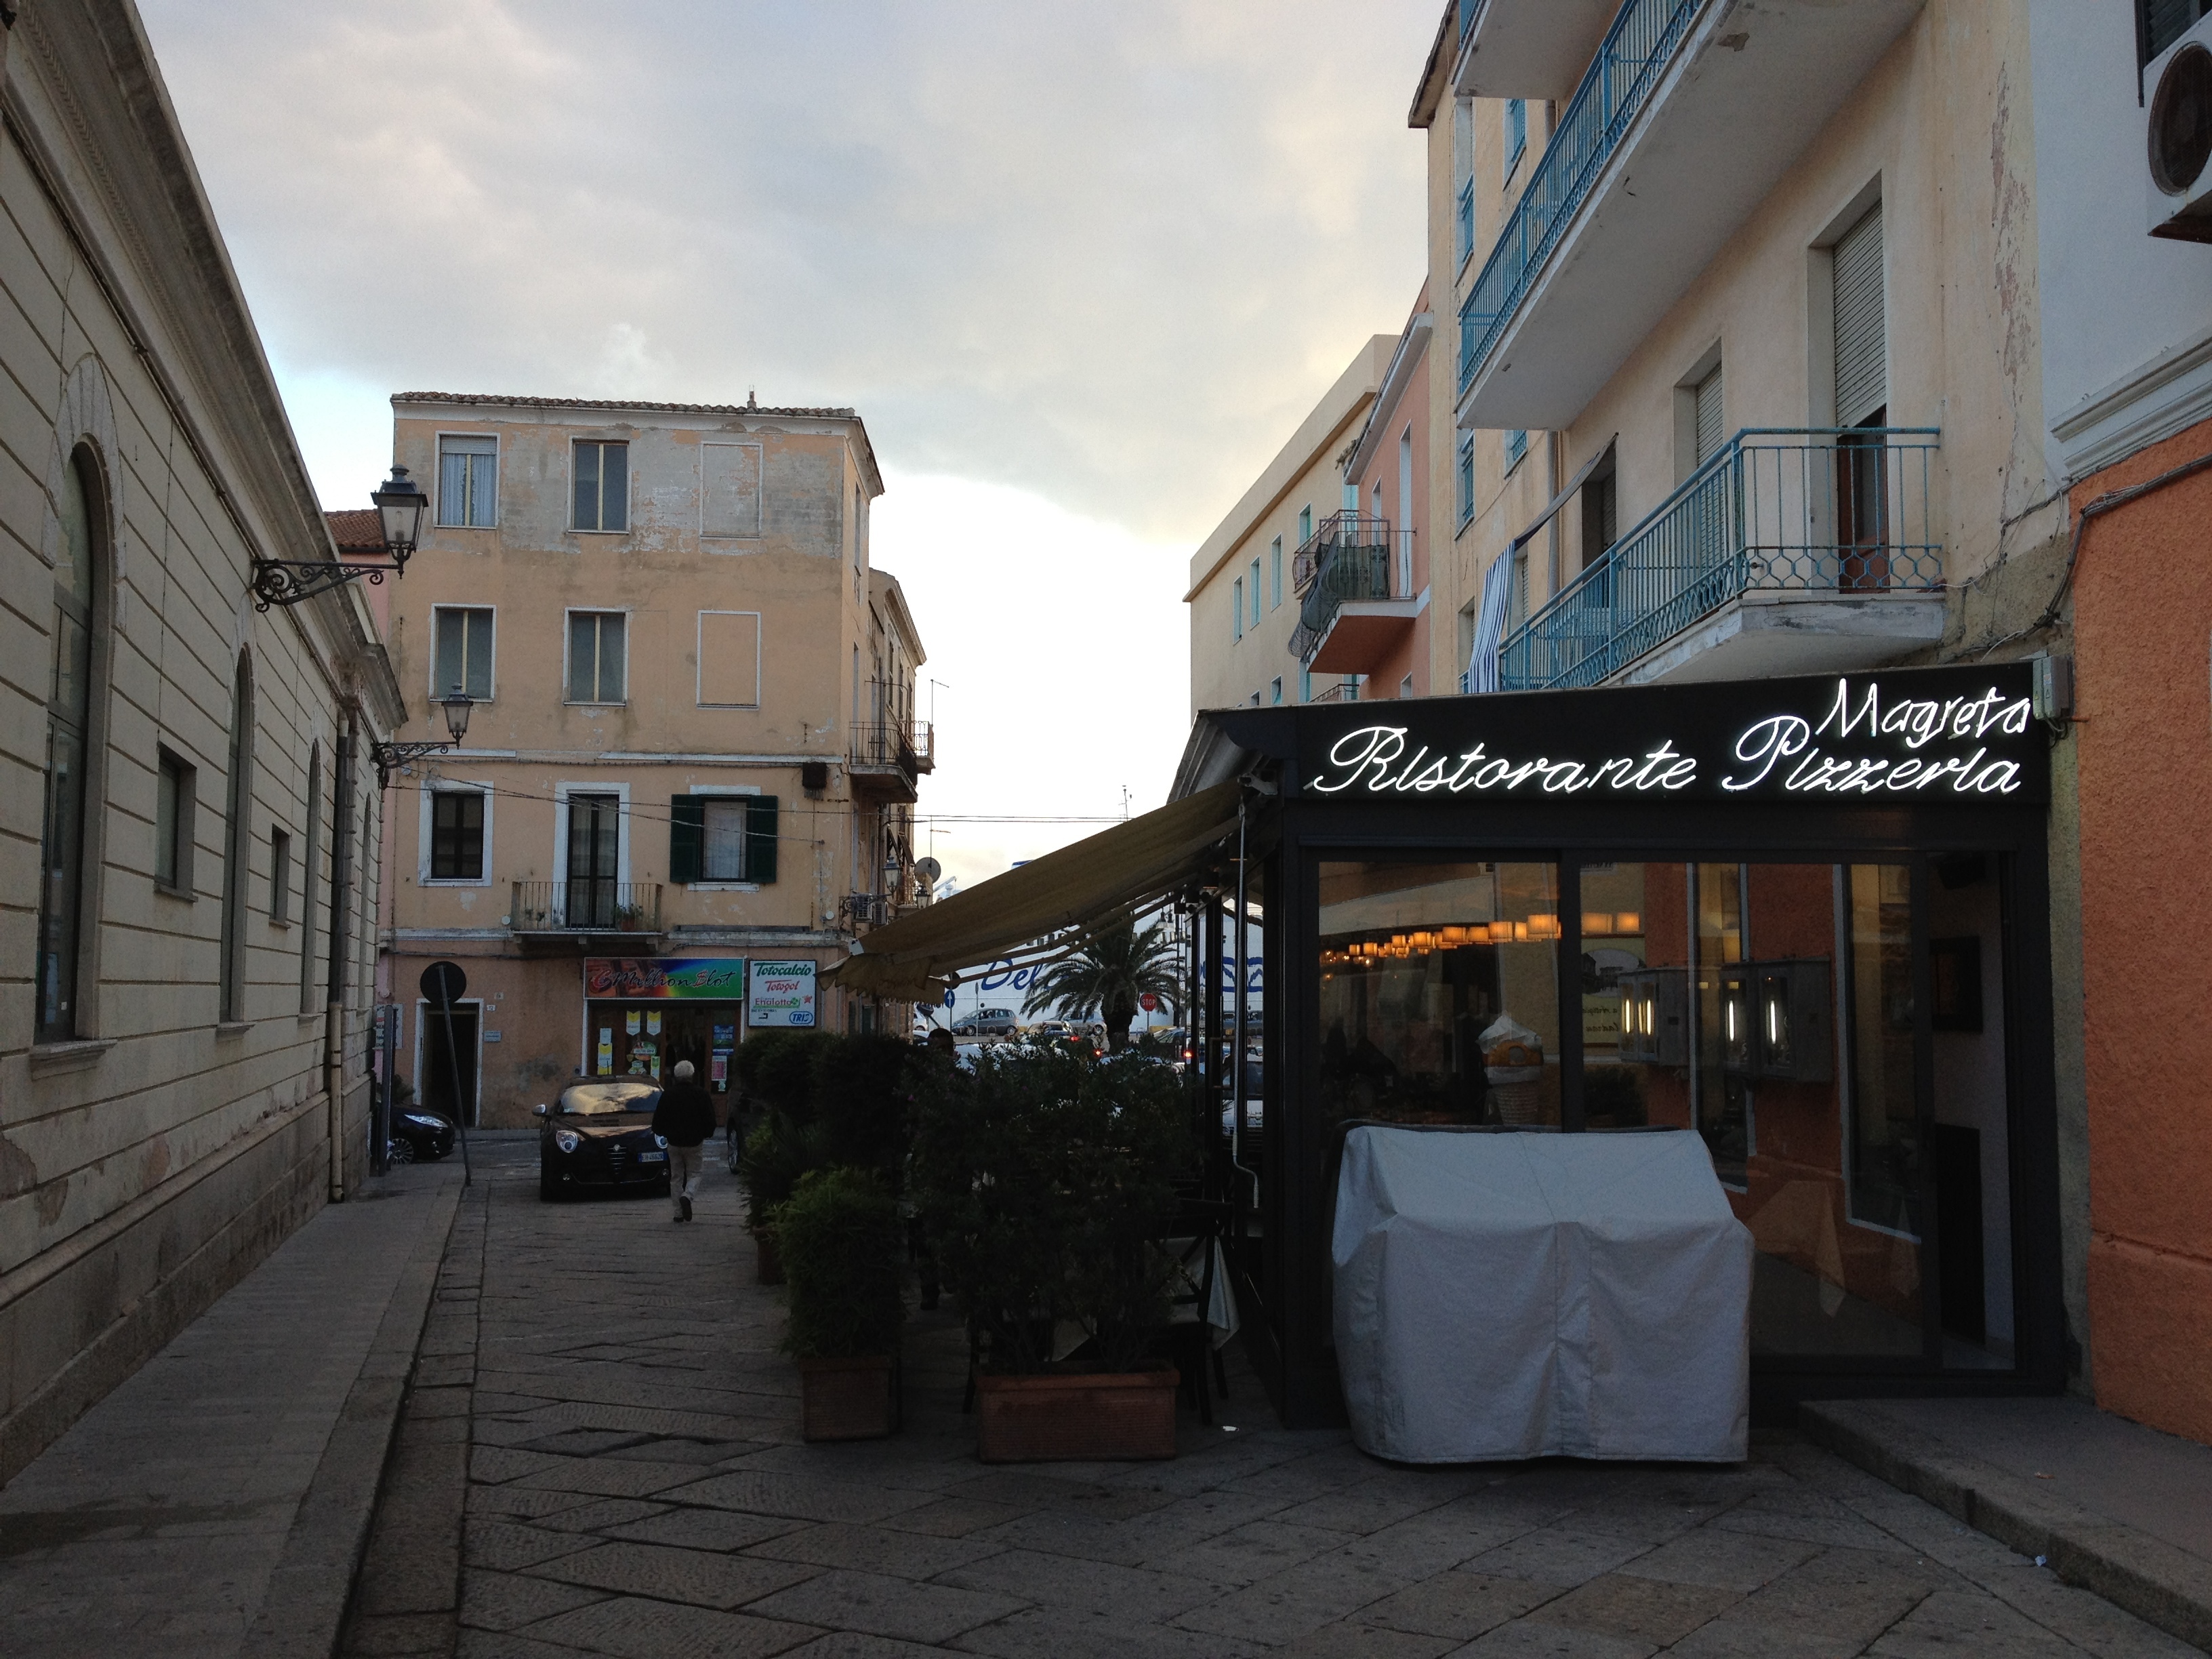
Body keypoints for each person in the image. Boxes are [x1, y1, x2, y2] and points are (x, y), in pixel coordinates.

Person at [651, 1060, 716, 1223]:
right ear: (692, 1075)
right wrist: (706, 1133)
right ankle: (688, 1195)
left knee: (676, 1177)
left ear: (676, 1076)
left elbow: (658, 1122)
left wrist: (665, 1133)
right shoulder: (701, 1094)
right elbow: (710, 1119)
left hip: (674, 1142)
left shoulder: (668, 1095)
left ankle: (678, 1213)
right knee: (695, 1173)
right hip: (694, 1142)